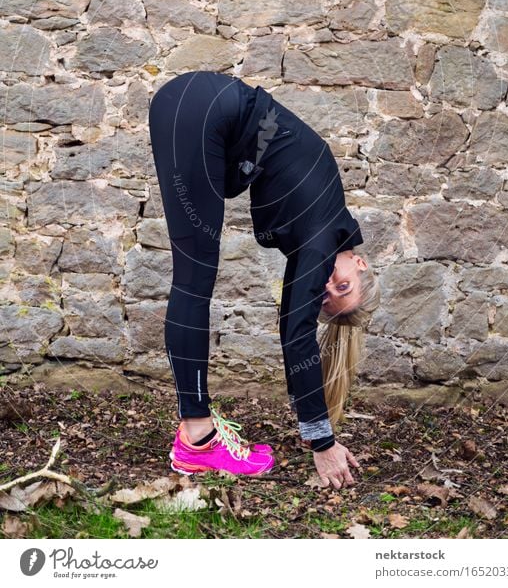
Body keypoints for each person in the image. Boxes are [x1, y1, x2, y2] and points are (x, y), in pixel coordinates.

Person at [148, 70, 380, 488]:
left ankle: (196, 425)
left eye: (327, 299)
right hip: (204, 110)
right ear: (360, 265)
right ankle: (197, 440)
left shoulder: (326, 216)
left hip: (189, 102)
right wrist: (322, 442)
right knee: (194, 278)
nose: (327, 286)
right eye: (342, 285)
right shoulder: (322, 235)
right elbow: (297, 333)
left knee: (194, 275)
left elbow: (296, 318)